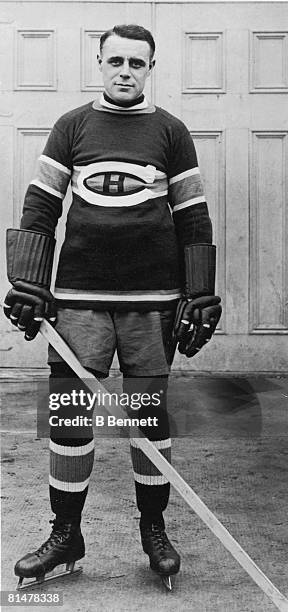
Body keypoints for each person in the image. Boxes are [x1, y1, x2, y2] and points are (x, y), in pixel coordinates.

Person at [4, 24, 221, 590]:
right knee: (71, 417)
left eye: (138, 63)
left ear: (151, 68)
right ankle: (66, 534)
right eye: (116, 61)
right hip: (78, 299)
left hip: (153, 301)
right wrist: (28, 280)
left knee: (147, 416)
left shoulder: (171, 133)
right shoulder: (71, 127)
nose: (126, 71)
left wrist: (198, 292)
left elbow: (193, 217)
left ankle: (155, 530)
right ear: (99, 63)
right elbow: (41, 207)